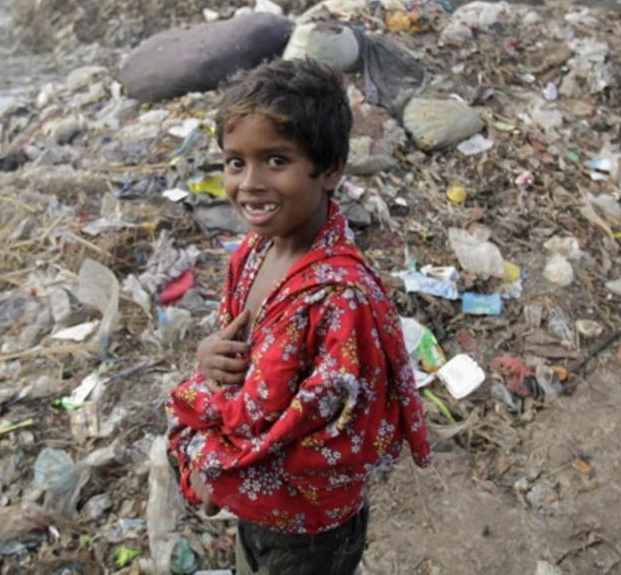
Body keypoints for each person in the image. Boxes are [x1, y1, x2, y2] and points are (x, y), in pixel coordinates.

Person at [166, 59, 431, 575]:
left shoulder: (342, 299)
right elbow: (233, 355)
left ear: (330, 167)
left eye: (275, 160)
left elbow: (329, 437)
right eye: (235, 162)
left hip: (308, 525)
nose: (251, 183)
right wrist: (209, 357)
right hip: (257, 505)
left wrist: (219, 468)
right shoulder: (253, 253)